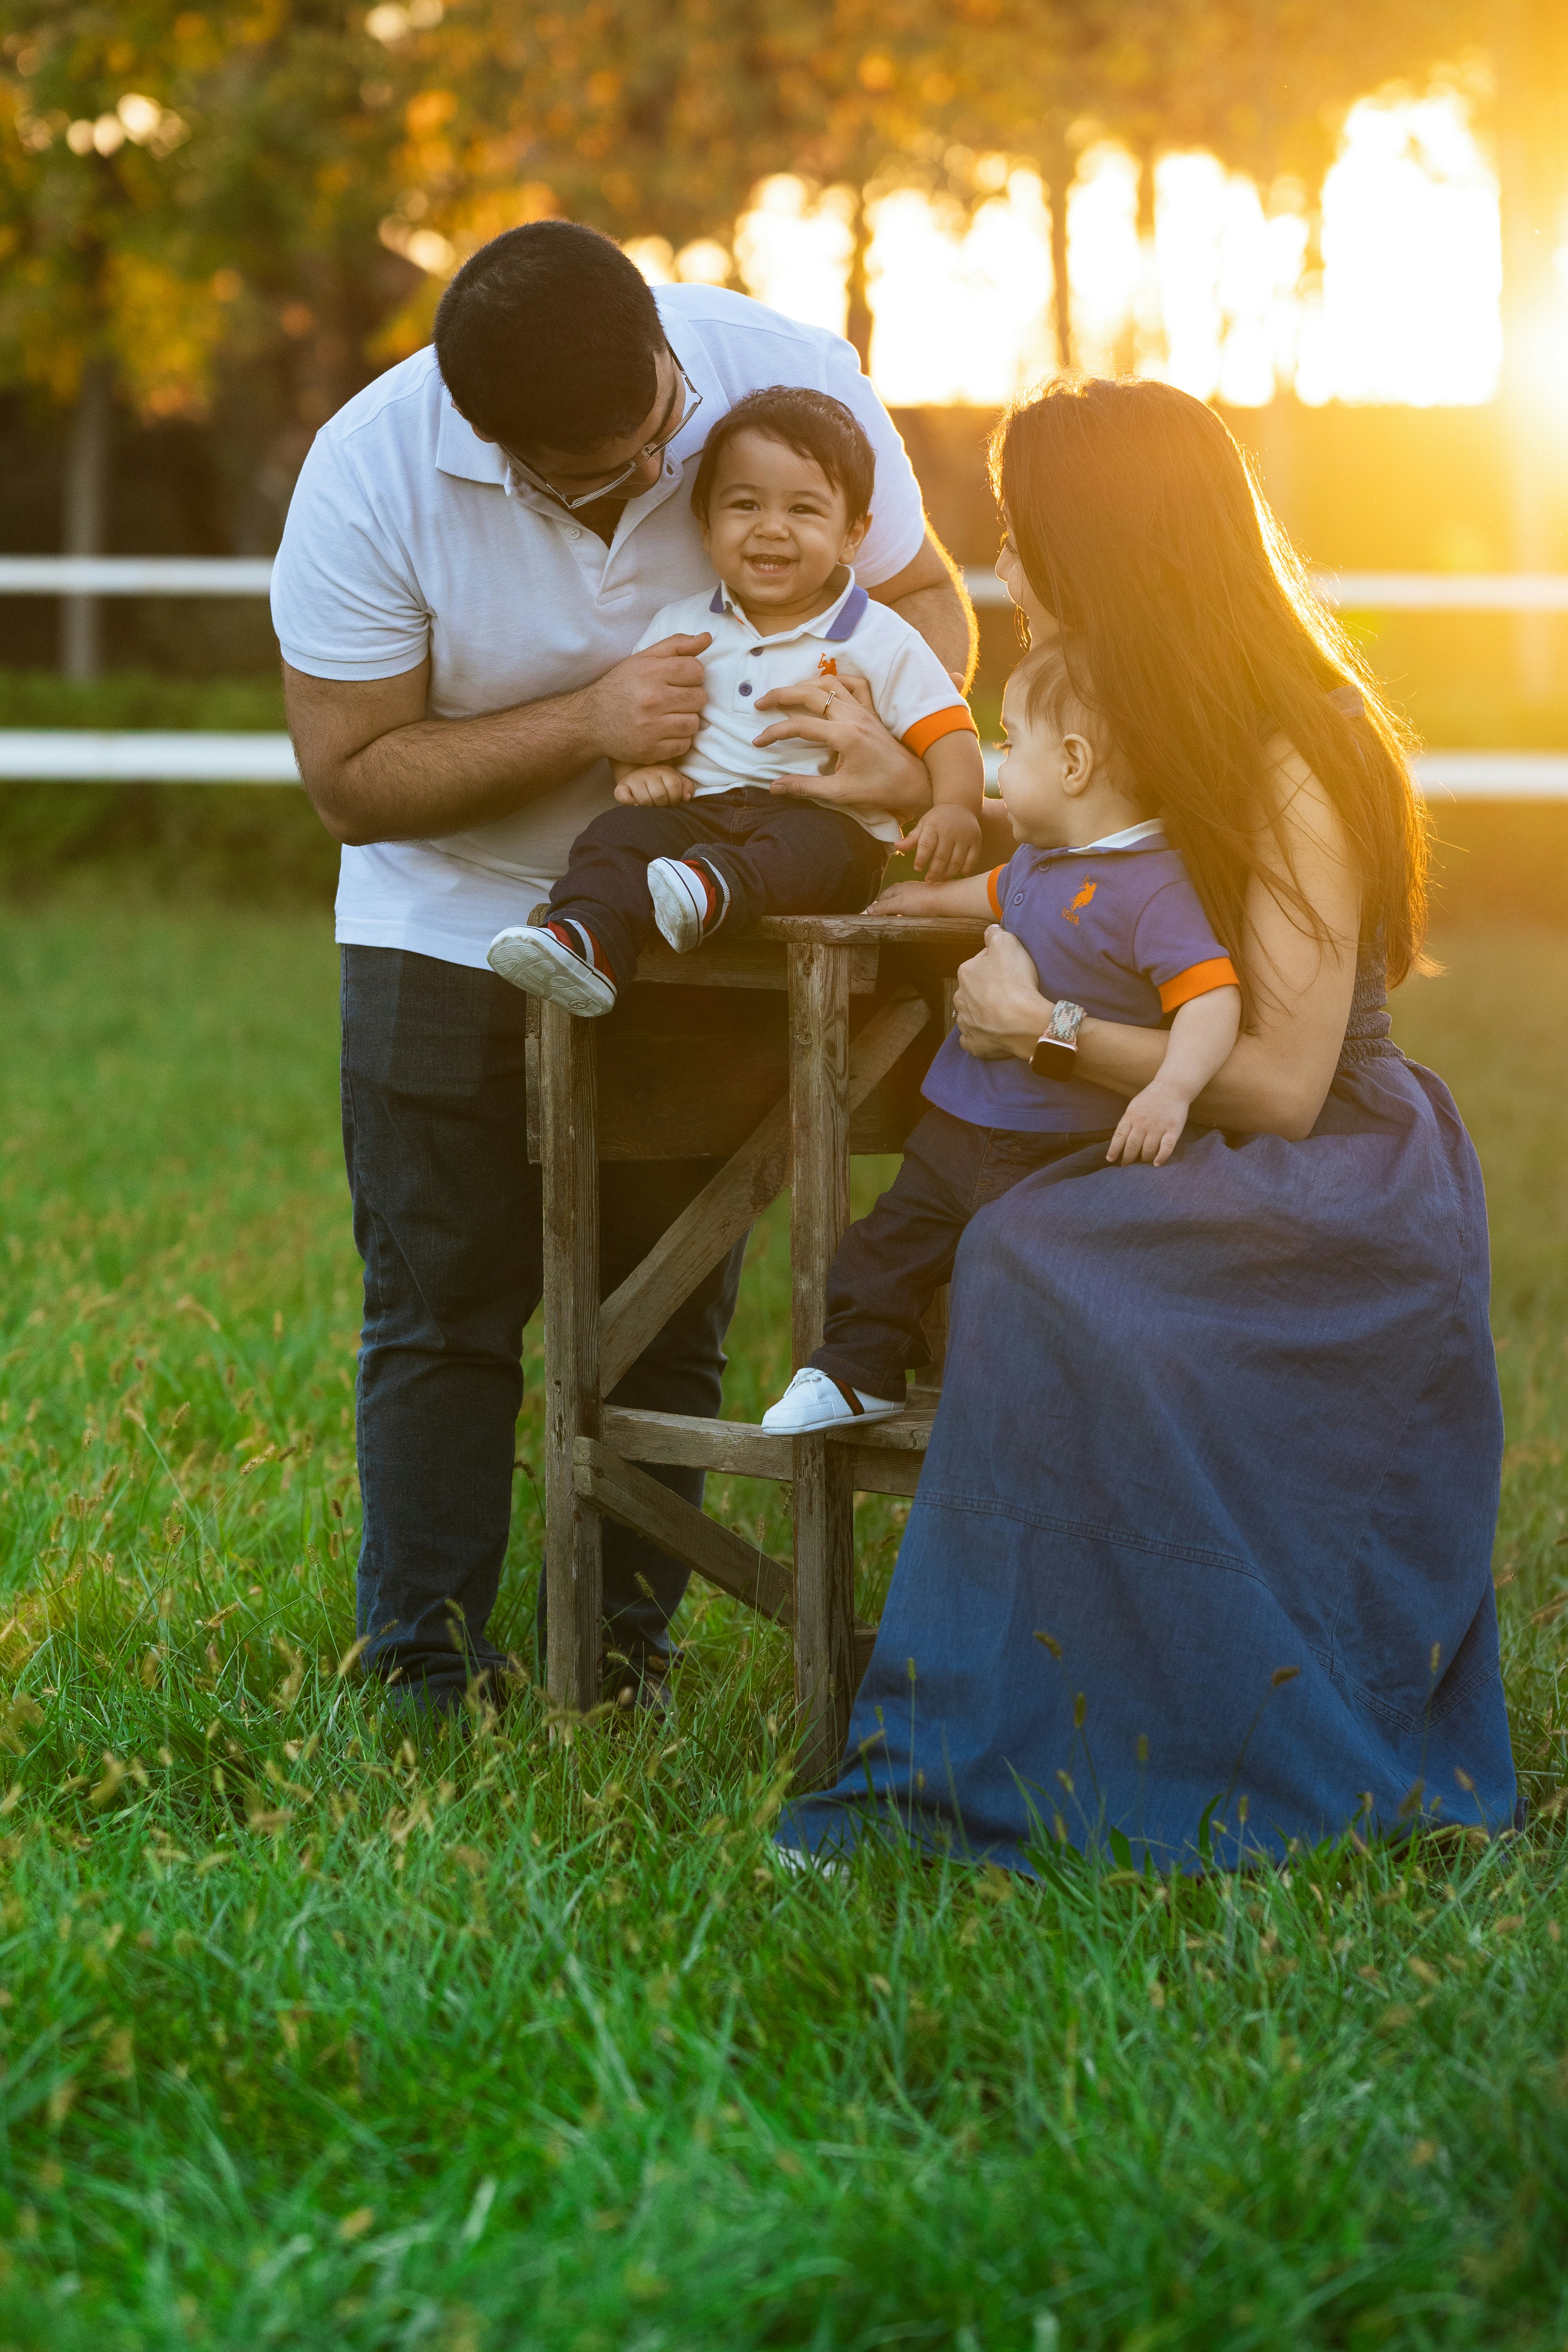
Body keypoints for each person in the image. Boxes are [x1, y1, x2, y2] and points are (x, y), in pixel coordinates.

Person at [779, 374, 1518, 1871]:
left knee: (1035, 1256)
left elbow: (1279, 1088)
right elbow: (1090, 841)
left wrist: (1035, 1031)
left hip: (1331, 1180)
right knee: (1016, 1239)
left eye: (1024, 535)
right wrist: (905, 791)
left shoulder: (1301, 744)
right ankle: (1041, 1705)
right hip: (1208, 1140)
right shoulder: (1152, 712)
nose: (1004, 568)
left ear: (1107, 547)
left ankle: (1071, 1734)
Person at [270, 219, 973, 1713]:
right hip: (444, 913)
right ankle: (427, 1678)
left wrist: (885, 757)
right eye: (589, 475)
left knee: (665, 1303)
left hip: (716, 918)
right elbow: (348, 780)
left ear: (665, 355)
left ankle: (620, 1663)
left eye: (657, 439)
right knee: (444, 1305)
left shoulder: (777, 376)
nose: (645, 482)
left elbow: (917, 598)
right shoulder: (370, 468)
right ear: (492, 441)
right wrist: (589, 727)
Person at [762, 638, 1240, 1435]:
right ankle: (856, 1371)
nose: (996, 765)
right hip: (959, 1124)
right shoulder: (1037, 862)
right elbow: (986, 896)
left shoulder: (1157, 889)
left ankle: (1047, 1412)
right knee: (885, 1248)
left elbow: (1211, 996)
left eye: (1011, 744)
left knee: (1036, 1285)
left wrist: (1172, 1087)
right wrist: (924, 901)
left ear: (1075, 764)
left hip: (1063, 1149)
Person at [487, 386, 983, 1015]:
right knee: (615, 834)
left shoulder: (877, 634)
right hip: (699, 813)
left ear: (853, 534)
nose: (771, 527)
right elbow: (639, 723)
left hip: (826, 820)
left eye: (804, 510)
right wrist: (640, 773)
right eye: (744, 504)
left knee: (817, 853)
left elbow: (948, 730)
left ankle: (715, 888)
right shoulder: (682, 627)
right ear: (706, 526)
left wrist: (958, 808)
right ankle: (587, 942)